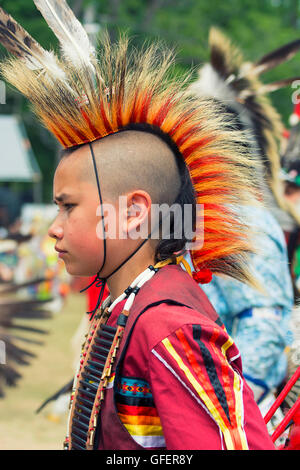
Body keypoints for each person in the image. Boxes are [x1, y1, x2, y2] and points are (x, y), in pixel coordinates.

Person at [0, 1, 274, 450]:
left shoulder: (169, 327)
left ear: (133, 212)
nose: (54, 227)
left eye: (68, 207)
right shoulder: (128, 307)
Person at [186, 27, 295, 411]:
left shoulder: (242, 218)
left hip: (234, 411)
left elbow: (265, 326)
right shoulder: (194, 215)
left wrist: (227, 408)